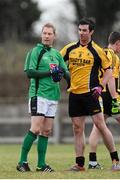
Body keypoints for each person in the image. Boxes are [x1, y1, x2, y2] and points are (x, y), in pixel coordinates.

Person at [60, 17, 120, 171]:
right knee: (77, 129)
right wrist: (55, 69)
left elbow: (109, 71)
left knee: (100, 125)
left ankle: (115, 160)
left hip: (91, 94)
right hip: (74, 94)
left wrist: (100, 86)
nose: (81, 33)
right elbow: (56, 60)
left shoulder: (97, 51)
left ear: (91, 32)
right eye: (79, 30)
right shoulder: (70, 48)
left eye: (84, 30)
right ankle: (80, 164)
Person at [16, 23, 69, 172]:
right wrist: (50, 73)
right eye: (44, 33)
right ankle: (22, 162)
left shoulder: (57, 54)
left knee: (46, 131)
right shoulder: (35, 52)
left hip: (53, 96)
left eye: (49, 33)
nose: (46, 36)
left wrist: (73, 83)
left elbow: (65, 72)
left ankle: (41, 165)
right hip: (39, 95)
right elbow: (30, 73)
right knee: (36, 129)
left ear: (54, 36)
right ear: (41, 35)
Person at [88, 31, 120, 169]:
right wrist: (115, 96)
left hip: (98, 95)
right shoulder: (113, 56)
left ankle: (92, 162)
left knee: (98, 127)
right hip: (109, 96)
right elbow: (110, 77)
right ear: (117, 43)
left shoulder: (101, 53)